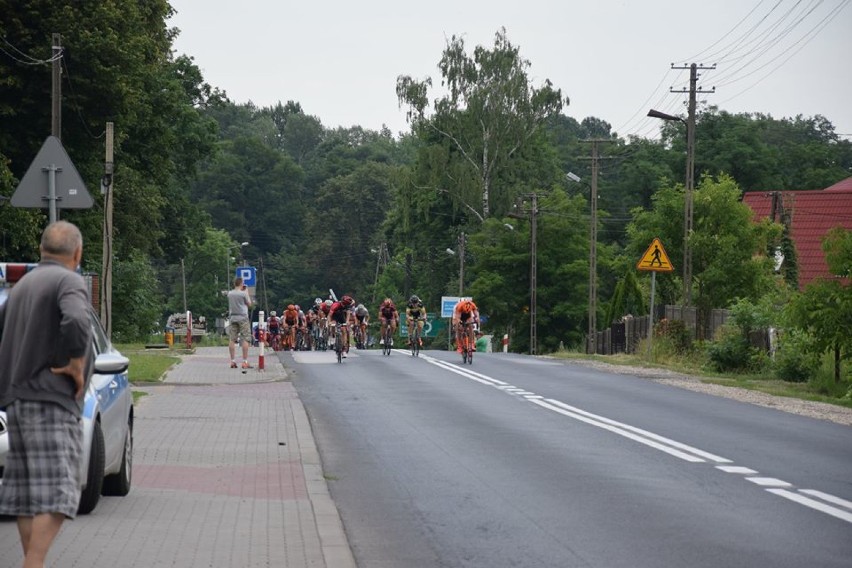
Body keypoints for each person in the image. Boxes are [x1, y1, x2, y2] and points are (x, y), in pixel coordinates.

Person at [0, 221, 94, 568]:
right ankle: (33, 563)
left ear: (42, 250)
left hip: (17, 400)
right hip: (50, 399)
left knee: (27, 496)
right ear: (77, 253)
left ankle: (33, 562)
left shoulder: (23, 285)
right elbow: (77, 321)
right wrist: (74, 362)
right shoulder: (69, 280)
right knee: (61, 492)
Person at [228, 276, 253, 369]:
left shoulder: (230, 294)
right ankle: (244, 361)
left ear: (234, 283)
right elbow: (249, 304)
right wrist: (246, 292)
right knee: (245, 339)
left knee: (232, 339)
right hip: (243, 317)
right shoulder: (243, 294)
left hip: (233, 317)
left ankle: (232, 361)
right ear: (242, 283)